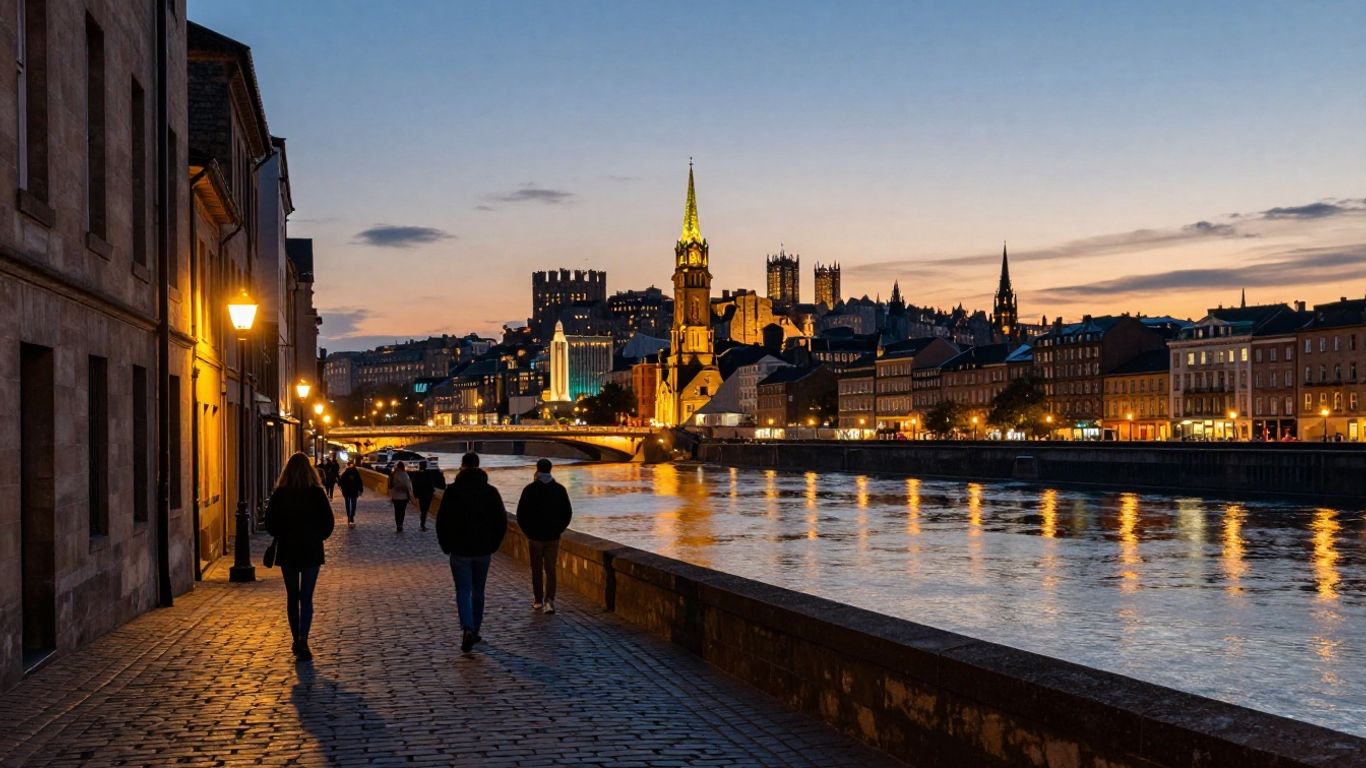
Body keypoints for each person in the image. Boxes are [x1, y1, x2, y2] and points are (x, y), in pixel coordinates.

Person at [265, 452, 335, 661]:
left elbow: (269, 523)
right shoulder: (316, 493)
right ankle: (303, 638)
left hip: (288, 550)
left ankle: (296, 638)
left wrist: (282, 534)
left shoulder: (280, 493)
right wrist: (317, 537)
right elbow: (328, 523)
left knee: (292, 596)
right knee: (306, 597)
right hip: (311, 550)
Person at [436, 452, 508, 653]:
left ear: (462, 466)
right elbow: (501, 521)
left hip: (459, 549)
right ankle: (475, 629)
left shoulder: (452, 492)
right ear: (478, 466)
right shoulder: (491, 492)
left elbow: (442, 521)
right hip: (483, 549)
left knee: (463, 591)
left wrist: (446, 545)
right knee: (479, 591)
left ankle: (466, 627)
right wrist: (494, 544)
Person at [515, 458, 573, 614]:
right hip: (553, 537)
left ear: (537, 470)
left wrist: (528, 532)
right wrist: (558, 529)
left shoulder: (529, 489)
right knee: (551, 570)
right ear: (551, 470)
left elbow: (520, 515)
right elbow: (567, 513)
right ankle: (550, 601)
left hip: (535, 537)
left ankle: (538, 600)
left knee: (536, 570)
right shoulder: (560, 489)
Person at [411, 459, 447, 532]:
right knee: (425, 510)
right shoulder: (428, 474)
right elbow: (436, 484)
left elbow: (414, 485)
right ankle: (422, 525)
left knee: (423, 510)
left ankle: (422, 524)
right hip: (427, 495)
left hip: (421, 495)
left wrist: (415, 494)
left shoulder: (417, 474)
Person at [389, 461, 414, 532]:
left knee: (397, 511)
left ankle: (398, 525)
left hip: (395, 497)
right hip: (404, 497)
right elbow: (408, 486)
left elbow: (390, 485)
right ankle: (401, 525)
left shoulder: (393, 474)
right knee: (402, 512)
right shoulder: (405, 474)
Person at [338, 460, 364, 528]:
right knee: (353, 503)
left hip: (346, 491)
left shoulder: (345, 473)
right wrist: (361, 490)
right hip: (354, 491)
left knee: (347, 503)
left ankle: (348, 516)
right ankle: (352, 516)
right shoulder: (356, 472)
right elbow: (360, 482)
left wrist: (343, 488)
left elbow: (340, 482)